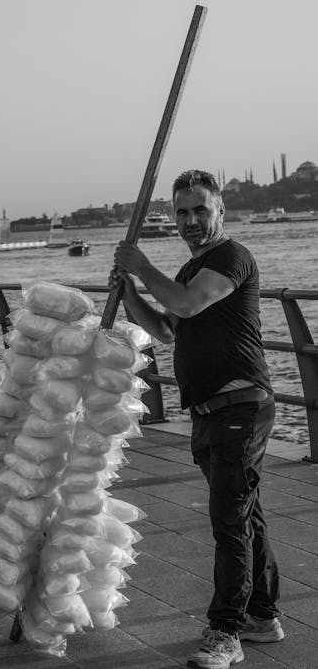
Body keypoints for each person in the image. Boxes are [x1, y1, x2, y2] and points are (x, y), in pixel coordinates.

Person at [110, 170, 282, 669]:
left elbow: (186, 303)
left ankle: (225, 632)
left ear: (220, 209)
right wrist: (129, 294)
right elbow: (168, 328)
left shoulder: (231, 257)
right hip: (208, 411)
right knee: (245, 515)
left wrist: (140, 264)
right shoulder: (189, 270)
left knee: (229, 521)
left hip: (240, 407)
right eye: (181, 212)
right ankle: (263, 617)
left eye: (199, 210)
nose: (189, 221)